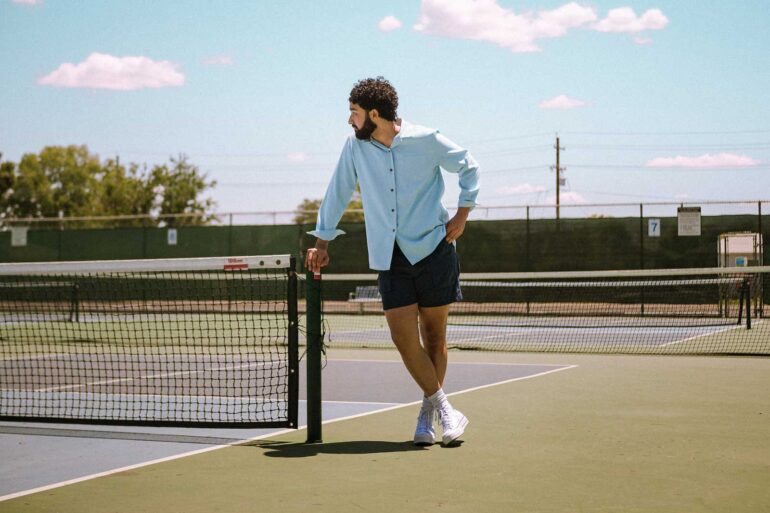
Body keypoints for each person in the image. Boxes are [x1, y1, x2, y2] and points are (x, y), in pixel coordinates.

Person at [305, 77, 480, 446]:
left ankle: (427, 415)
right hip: (390, 256)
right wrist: (322, 241)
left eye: (353, 113)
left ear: (373, 114)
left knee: (434, 336)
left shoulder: (427, 139)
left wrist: (462, 215)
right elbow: (337, 191)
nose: (349, 121)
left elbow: (469, 166)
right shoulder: (354, 148)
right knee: (403, 338)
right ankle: (446, 407)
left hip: (435, 249)